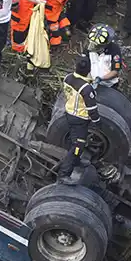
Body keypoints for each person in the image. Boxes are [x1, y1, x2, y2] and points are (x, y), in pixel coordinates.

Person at [57, 55, 100, 183]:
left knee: (73, 140)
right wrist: (97, 122)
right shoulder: (86, 89)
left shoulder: (68, 78)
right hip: (80, 118)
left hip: (69, 113)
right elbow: (92, 108)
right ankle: (64, 174)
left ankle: (76, 161)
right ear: (89, 69)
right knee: (78, 146)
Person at [86, 23, 123, 88]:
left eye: (96, 46)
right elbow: (86, 62)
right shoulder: (90, 46)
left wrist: (100, 79)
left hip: (109, 84)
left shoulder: (114, 50)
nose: (93, 47)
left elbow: (115, 71)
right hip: (92, 81)